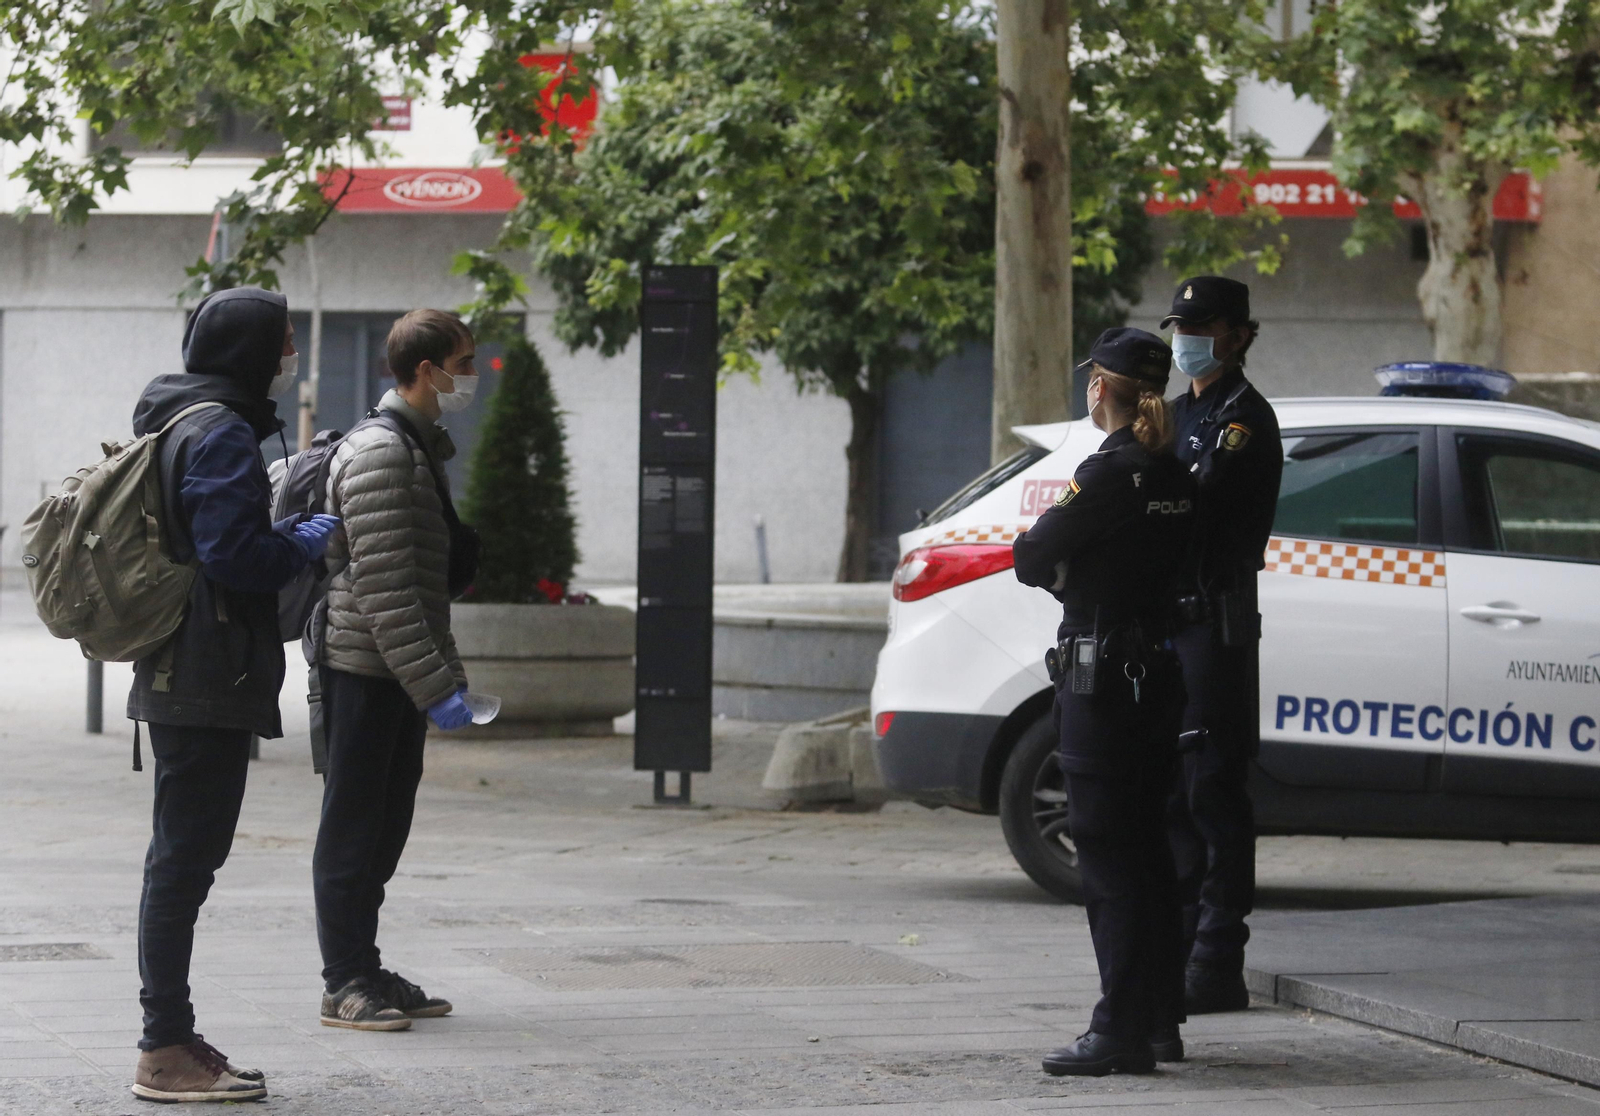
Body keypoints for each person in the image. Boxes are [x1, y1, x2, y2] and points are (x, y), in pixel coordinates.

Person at [128, 287, 340, 1103]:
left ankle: (170, 1039)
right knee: (182, 865)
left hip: (187, 667)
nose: (290, 356)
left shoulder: (184, 418)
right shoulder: (218, 430)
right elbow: (232, 556)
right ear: (251, 352)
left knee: (181, 862)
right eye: (283, 342)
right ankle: (163, 1049)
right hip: (204, 672)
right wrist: (296, 545)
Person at [1013, 327, 1196, 1077]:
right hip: (1160, 676)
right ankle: (1157, 1021)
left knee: (1110, 856)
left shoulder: (1111, 471)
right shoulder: (1175, 471)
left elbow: (1031, 555)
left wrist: (1074, 571)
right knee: (1149, 851)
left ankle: (1117, 1029)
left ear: (1100, 389)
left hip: (1105, 683)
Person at [312, 308, 479, 1031]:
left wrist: (444, 677)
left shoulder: (416, 445)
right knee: (353, 829)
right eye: (463, 362)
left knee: (383, 827)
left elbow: (420, 586)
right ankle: (344, 982)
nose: (471, 375)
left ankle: (366, 967)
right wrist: (437, 686)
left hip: (394, 672)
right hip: (363, 669)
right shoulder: (382, 452)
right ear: (426, 370)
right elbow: (384, 589)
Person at [1161, 276, 1283, 1015]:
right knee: (1176, 793)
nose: (1187, 340)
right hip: (1171, 622)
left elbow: (1194, 503)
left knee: (1212, 789)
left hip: (1216, 621)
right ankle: (1179, 949)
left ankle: (1215, 960)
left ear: (1237, 335)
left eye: (1201, 327)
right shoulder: (1177, 413)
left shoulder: (1244, 418)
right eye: (1180, 327)